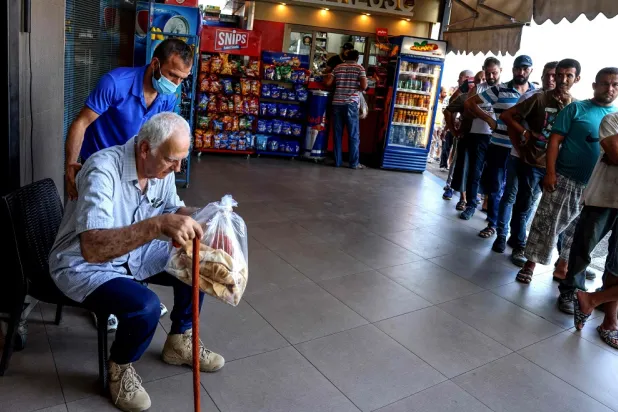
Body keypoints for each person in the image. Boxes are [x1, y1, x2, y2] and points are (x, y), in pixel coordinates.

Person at [49, 113, 225, 412]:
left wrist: (208, 216)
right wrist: (157, 226)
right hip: (84, 264)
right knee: (144, 306)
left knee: (199, 263)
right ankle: (119, 367)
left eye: (181, 160)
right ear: (145, 149)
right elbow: (93, 248)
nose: (177, 169)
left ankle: (180, 339)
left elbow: (171, 207)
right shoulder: (102, 170)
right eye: (172, 160)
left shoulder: (161, 168)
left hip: (134, 251)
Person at [64, 38, 194, 331]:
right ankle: (104, 299)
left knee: (132, 228)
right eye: (172, 75)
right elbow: (82, 122)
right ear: (155, 64)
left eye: (182, 79)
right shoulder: (116, 82)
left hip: (137, 173)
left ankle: (129, 292)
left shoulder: (167, 97)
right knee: (92, 234)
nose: (175, 83)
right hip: (102, 171)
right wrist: (69, 167)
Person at [514, 67, 618, 284]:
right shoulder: (576, 109)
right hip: (565, 178)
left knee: (577, 232)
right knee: (546, 223)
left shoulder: (615, 117)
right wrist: (550, 173)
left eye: (615, 84)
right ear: (594, 85)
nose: (610, 88)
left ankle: (562, 267)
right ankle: (530, 264)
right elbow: (554, 141)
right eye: (605, 83)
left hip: (594, 185)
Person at [493, 60, 571, 263]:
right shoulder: (536, 97)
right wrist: (522, 142)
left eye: (562, 76)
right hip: (525, 159)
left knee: (546, 209)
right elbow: (509, 119)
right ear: (543, 75)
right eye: (552, 75)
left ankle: (560, 257)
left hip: (553, 164)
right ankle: (510, 240)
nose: (556, 79)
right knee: (515, 200)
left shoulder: (572, 104)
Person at [463, 55, 536, 240]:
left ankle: (514, 233)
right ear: (512, 69)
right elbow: (470, 102)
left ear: (531, 71)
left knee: (518, 192)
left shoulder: (536, 92)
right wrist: (489, 119)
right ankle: (493, 224)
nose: (521, 72)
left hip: (522, 150)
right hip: (499, 145)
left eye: (525, 69)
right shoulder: (499, 90)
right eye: (518, 68)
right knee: (496, 187)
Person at [558, 112, 618, 329]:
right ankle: (570, 291)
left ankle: (603, 303)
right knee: (584, 247)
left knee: (616, 262)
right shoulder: (612, 120)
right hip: (602, 196)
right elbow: (614, 152)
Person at [460, 57, 501, 220]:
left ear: (500, 71)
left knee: (495, 177)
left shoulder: (504, 89)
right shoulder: (477, 89)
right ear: (484, 70)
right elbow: (467, 111)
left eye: (494, 73)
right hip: (477, 135)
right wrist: (487, 117)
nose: (491, 77)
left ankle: (490, 211)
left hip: (498, 138)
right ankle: (471, 204)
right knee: (474, 172)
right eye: (488, 73)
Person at [443, 71, 486, 207]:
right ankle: (463, 198)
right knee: (462, 167)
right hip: (466, 137)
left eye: (484, 79)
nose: (482, 82)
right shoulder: (466, 97)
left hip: (485, 140)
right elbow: (448, 109)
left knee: (478, 171)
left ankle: (475, 199)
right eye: (478, 80)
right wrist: (453, 131)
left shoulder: (494, 96)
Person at [324, 49, 368, 169]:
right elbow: (364, 86)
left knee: (337, 133)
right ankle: (353, 163)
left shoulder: (338, 67)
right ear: (357, 58)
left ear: (345, 57)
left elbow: (328, 83)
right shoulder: (360, 68)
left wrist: (328, 76)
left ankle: (337, 161)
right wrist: (356, 87)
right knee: (353, 134)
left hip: (337, 102)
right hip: (351, 104)